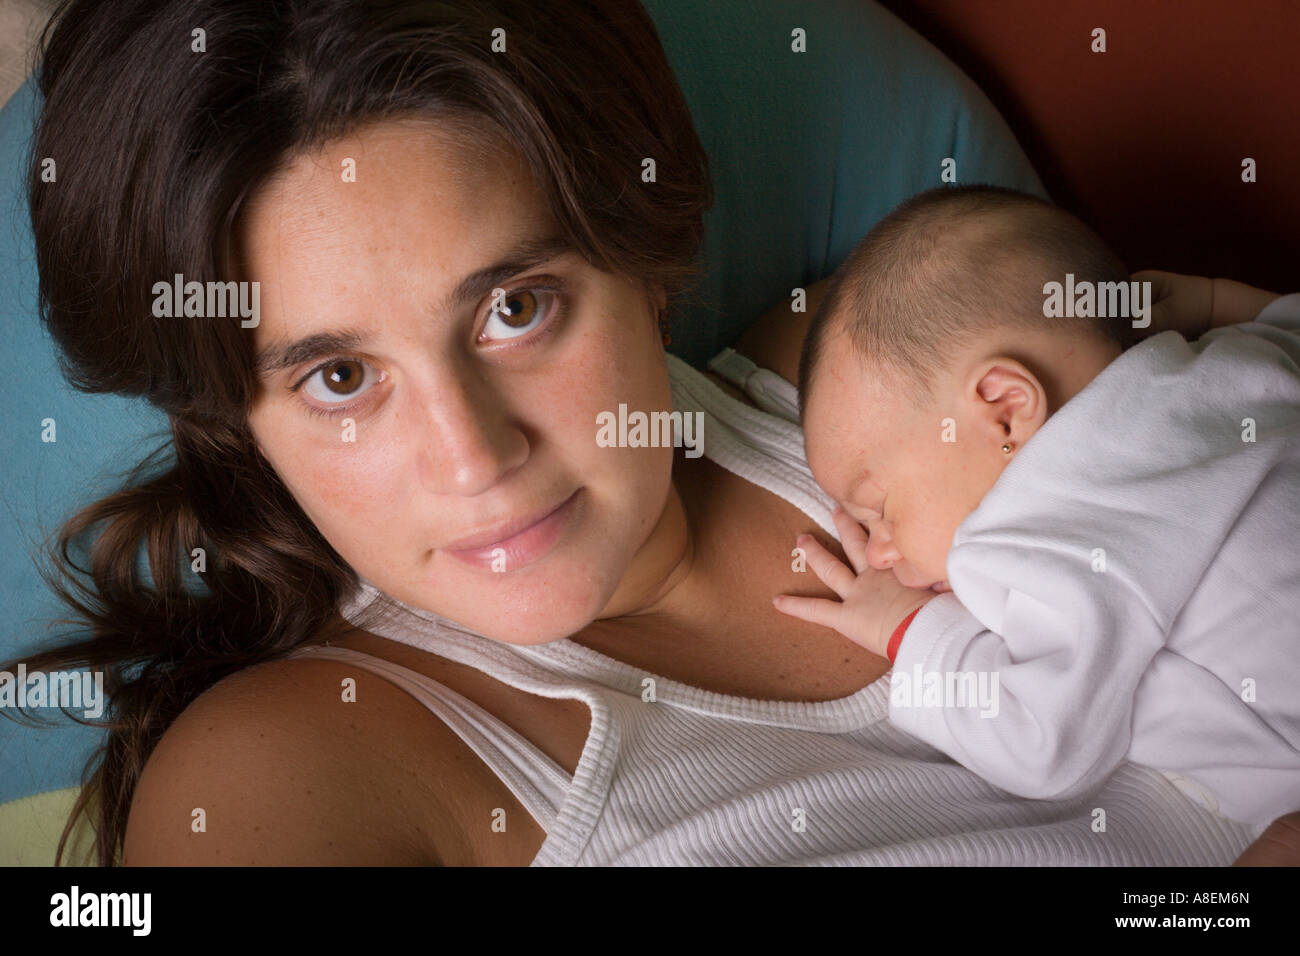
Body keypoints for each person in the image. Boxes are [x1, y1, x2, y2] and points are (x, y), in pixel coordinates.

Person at [10, 0, 1293, 865]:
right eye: (340, 377)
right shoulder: (287, 771)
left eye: (517, 307)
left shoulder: (883, 370)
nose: (475, 457)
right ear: (241, 424)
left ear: (647, 260)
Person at [777, 184, 1300, 827]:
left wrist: (905, 630)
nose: (880, 549)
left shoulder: (1049, 523)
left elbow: (1042, 742)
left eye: (879, 507)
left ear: (1005, 413)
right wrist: (1217, 300)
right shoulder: (1234, 360)